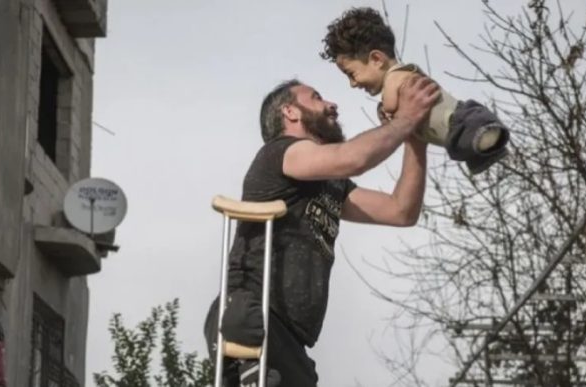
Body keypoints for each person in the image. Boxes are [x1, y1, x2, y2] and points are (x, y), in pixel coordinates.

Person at [203, 75, 440, 387]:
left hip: (290, 338)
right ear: (291, 112)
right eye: (316, 97)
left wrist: (415, 139)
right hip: (253, 317)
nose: (331, 104)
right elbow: (354, 158)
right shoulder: (282, 152)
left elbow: (401, 210)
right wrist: (406, 118)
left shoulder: (330, 184)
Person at [320, 7, 510, 175]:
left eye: (351, 74)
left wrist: (385, 114)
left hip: (459, 121)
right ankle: (486, 145)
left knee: (466, 130)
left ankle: (485, 137)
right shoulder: (407, 74)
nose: (353, 84)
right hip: (455, 132)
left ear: (377, 59)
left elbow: (390, 105)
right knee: (465, 142)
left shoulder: (395, 77)